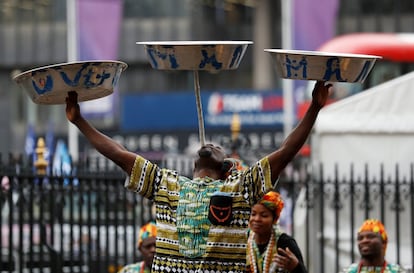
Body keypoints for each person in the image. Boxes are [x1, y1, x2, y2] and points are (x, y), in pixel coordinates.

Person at [65, 81, 331, 273]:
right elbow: (119, 153)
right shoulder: (166, 184)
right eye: (210, 146)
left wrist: (314, 109)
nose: (213, 145)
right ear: (193, 163)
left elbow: (285, 152)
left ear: (227, 167)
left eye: (219, 148)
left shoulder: (239, 189)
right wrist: (79, 121)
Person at [247, 191, 307, 273]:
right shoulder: (243, 240)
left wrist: (296, 267)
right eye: (253, 214)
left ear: (274, 219)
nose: (257, 219)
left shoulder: (285, 243)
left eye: (264, 215)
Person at [340, 219, 406, 273]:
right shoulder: (349, 271)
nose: (364, 241)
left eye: (370, 237)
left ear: (383, 243)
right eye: (360, 238)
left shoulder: (397, 271)